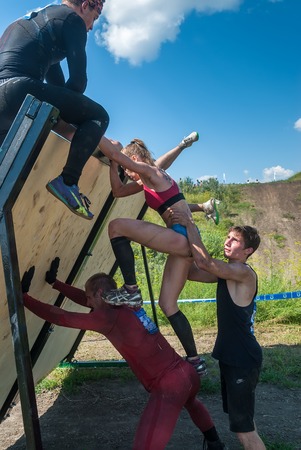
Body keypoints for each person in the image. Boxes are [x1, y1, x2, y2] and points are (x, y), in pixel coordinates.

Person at [21, 260, 226, 450]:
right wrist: (55, 283)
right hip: (186, 373)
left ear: (100, 293)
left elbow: (63, 317)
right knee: (192, 403)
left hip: (169, 384)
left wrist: (24, 299)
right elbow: (86, 300)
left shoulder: (105, 317)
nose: (88, 302)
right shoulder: (124, 301)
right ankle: (216, 444)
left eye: (90, 297)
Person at [102, 135, 219, 376]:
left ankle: (131, 291)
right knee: (167, 304)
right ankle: (196, 361)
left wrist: (103, 140)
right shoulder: (150, 177)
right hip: (183, 241)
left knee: (116, 226)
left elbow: (116, 154)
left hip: (181, 237)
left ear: (134, 160)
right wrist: (115, 165)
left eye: (127, 168)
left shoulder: (149, 172)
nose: (128, 172)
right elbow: (118, 191)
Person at [0, 0, 120, 220]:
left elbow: (56, 88)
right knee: (98, 116)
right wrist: (86, 131)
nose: (92, 26)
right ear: (85, 5)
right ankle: (68, 182)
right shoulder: (72, 19)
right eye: (96, 16)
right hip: (19, 91)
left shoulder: (39, 20)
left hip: (4, 101)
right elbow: (78, 83)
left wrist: (65, 112)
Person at [168, 208, 266, 450]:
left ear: (248, 251)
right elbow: (192, 271)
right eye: (228, 237)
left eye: (235, 240)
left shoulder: (242, 273)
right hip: (233, 358)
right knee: (245, 422)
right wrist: (176, 248)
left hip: (242, 359)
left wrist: (190, 224)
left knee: (244, 432)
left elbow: (204, 262)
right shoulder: (226, 273)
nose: (227, 241)